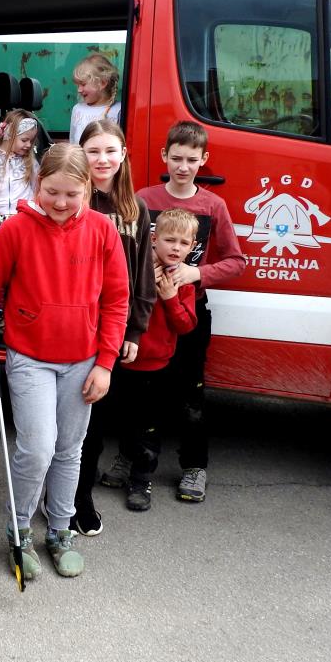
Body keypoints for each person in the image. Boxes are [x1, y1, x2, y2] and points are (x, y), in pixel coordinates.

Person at [0, 144, 129, 580]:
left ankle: (60, 530)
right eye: (52, 192)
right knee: (37, 448)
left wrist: (105, 363)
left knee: (69, 449)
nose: (60, 202)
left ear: (88, 189)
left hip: (84, 361)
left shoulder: (102, 231)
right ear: (38, 185)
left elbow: (117, 300)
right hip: (30, 358)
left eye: (71, 194)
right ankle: (19, 529)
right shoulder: (15, 230)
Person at [103, 121, 245, 502]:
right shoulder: (143, 199)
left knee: (189, 397)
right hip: (144, 317)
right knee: (134, 395)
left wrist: (194, 273)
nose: (183, 167)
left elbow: (236, 261)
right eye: (177, 158)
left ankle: (194, 466)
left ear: (203, 160)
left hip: (188, 313)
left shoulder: (213, 206)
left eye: (192, 160)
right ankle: (128, 457)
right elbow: (120, 248)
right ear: (164, 156)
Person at [69, 118, 156, 534]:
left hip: (112, 331)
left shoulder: (134, 209)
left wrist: (134, 330)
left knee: (95, 424)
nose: (102, 159)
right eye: (93, 151)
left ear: (124, 155)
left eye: (110, 151)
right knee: (68, 426)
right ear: (80, 154)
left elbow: (142, 276)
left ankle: (80, 498)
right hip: (73, 327)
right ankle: (58, 496)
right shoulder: (71, 202)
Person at [113, 208, 199, 511]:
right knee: (124, 418)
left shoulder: (183, 282)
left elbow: (186, 325)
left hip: (157, 366)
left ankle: (141, 480)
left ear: (192, 246)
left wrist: (170, 297)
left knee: (148, 427)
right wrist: (145, 282)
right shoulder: (137, 269)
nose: (176, 248)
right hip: (124, 359)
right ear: (153, 239)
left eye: (184, 243)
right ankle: (124, 463)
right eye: (169, 240)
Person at [67, 53, 121, 149]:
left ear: (103, 83)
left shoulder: (118, 110)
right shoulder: (77, 109)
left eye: (83, 84)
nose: (79, 90)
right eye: (78, 85)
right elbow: (72, 142)